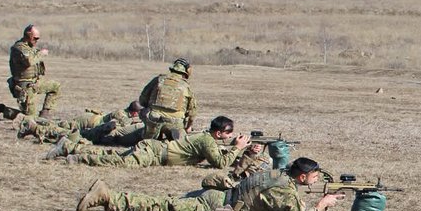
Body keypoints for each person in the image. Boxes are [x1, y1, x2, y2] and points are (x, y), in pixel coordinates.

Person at [73, 155, 341, 211]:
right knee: (164, 207)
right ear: (303, 177)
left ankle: (113, 199)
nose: (318, 179)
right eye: (315, 176)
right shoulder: (285, 190)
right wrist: (321, 206)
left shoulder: (279, 175)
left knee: (166, 203)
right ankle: (108, 196)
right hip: (214, 204)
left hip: (218, 197)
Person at [50, 115, 250, 168]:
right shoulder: (207, 141)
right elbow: (220, 163)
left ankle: (69, 147)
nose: (231, 135)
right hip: (155, 153)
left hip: (154, 148)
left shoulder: (207, 138)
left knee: (114, 154)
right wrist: (237, 149)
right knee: (120, 161)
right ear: (218, 133)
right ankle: (77, 158)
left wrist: (234, 148)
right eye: (228, 133)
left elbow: (215, 152)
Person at [0, 24, 60, 120]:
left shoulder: (30, 47)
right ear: (28, 35)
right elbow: (29, 61)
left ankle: (45, 114)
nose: (37, 41)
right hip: (24, 87)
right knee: (30, 118)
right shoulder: (19, 48)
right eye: (35, 38)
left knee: (55, 86)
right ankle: (1, 109)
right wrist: (41, 54)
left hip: (34, 83)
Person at [16, 101, 143, 145]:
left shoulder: (125, 113)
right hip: (88, 122)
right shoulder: (121, 114)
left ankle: (33, 122)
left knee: (61, 124)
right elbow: (117, 124)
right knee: (62, 125)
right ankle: (31, 120)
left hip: (91, 120)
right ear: (134, 113)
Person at [138, 58, 196, 140]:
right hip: (175, 122)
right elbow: (192, 112)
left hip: (154, 118)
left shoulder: (158, 80)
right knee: (179, 143)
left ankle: (151, 134)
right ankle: (174, 138)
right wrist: (188, 126)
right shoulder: (186, 86)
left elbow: (142, 99)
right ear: (187, 71)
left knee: (148, 132)